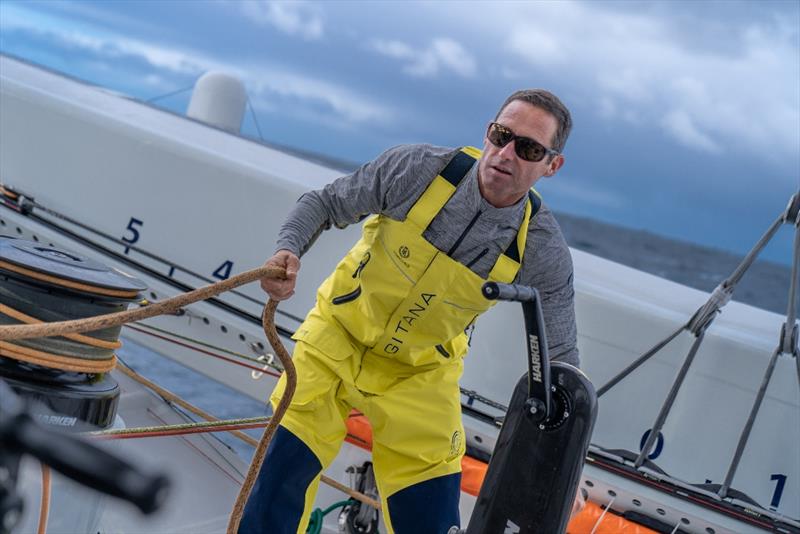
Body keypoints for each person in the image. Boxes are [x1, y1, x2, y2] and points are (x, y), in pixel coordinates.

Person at [240, 89, 579, 534]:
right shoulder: (417, 169)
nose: (506, 153)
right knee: (275, 488)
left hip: (420, 376)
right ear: (488, 132)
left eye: (529, 148)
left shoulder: (542, 248)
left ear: (551, 165)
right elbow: (323, 203)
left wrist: (564, 456)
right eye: (501, 135)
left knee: (433, 522)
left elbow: (562, 354)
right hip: (335, 341)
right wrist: (288, 251)